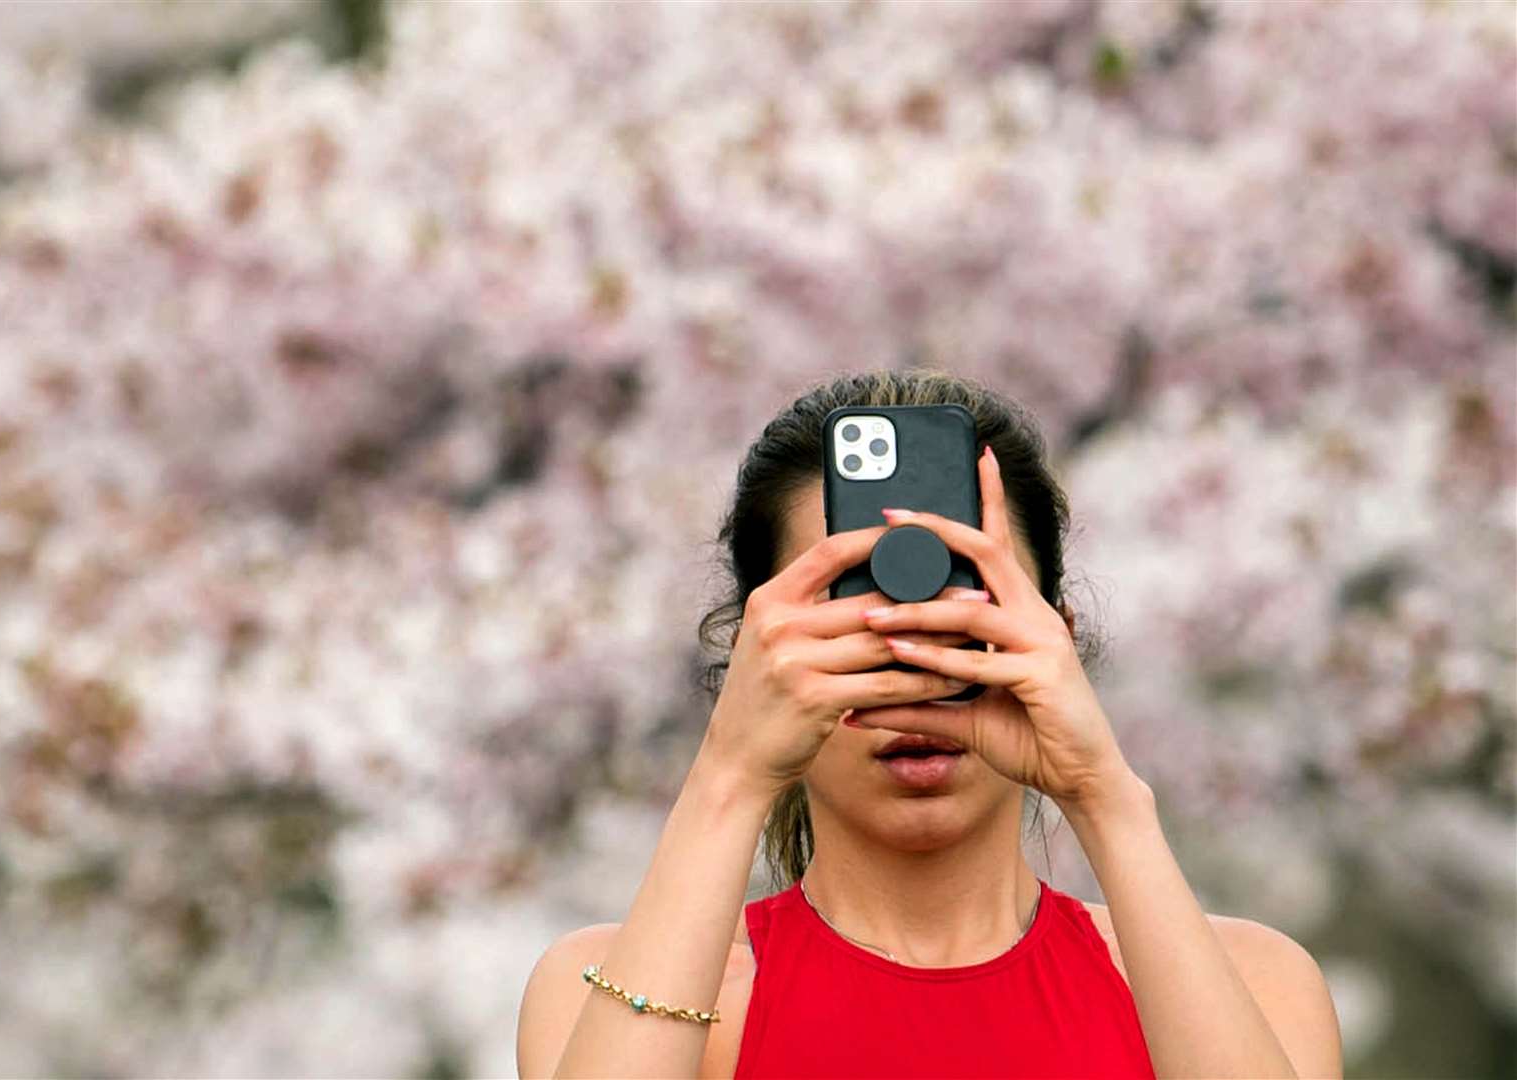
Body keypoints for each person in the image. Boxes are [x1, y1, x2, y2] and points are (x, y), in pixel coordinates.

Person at [517, 370, 1343, 1078]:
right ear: (754, 659)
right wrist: (728, 779)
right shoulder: (622, 994)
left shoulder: (1254, 984)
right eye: (847, 621)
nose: (912, 662)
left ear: (1052, 635)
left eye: (966, 611)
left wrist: (1106, 797)